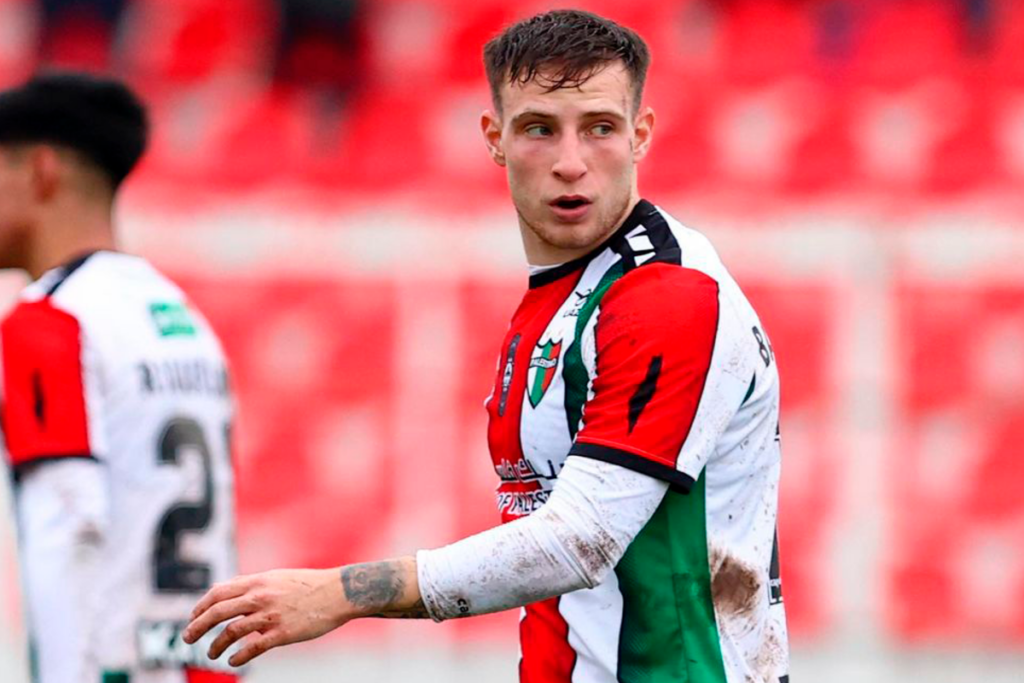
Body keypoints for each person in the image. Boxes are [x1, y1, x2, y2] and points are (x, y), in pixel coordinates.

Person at [184, 10, 791, 682]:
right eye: (539, 129)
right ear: (494, 137)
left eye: (600, 128)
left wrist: (340, 593)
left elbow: (578, 542)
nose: (569, 163)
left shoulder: (666, 297)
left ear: (641, 134)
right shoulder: (568, 294)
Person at [0, 72, 240, 682]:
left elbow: (70, 525)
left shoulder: (48, 321)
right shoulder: (182, 317)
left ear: (41, 172)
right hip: (198, 668)